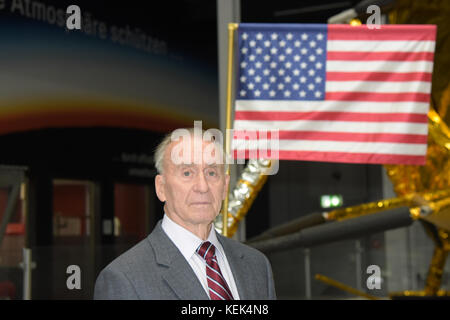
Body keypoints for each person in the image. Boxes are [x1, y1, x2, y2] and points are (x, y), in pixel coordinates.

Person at [94, 128, 276, 300]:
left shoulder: (257, 266)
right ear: (161, 188)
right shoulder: (124, 278)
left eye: (212, 173)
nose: (202, 187)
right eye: (187, 172)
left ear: (225, 186)